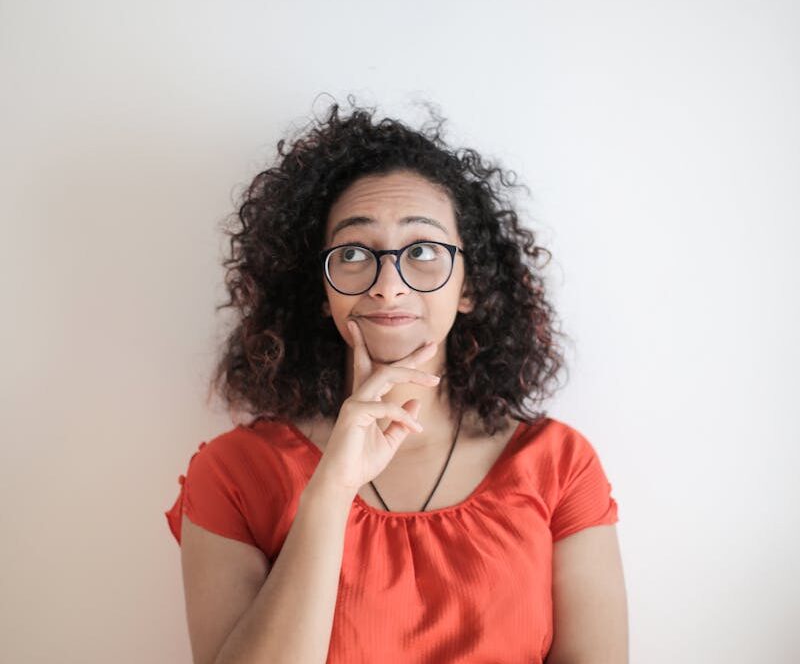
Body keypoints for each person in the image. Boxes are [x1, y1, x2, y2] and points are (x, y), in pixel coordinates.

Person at [164, 97, 628, 664]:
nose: (388, 286)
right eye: (356, 252)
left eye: (424, 250)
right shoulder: (234, 475)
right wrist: (332, 487)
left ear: (468, 287)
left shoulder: (559, 465)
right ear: (320, 289)